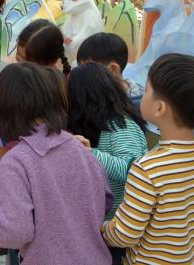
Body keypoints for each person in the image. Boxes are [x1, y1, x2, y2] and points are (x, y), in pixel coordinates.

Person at [0, 62, 113, 264]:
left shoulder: (16, 162)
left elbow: (16, 232)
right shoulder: (81, 149)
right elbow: (106, 200)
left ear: (3, 109)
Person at [101, 53, 194, 264]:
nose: (142, 93)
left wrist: (102, 227)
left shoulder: (147, 169)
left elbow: (125, 234)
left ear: (159, 108)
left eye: (147, 90)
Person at [68, 62, 147, 264]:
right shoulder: (102, 125)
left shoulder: (120, 127)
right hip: (109, 226)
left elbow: (133, 172)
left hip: (121, 229)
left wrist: (91, 154)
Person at [77, 32, 143, 105]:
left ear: (113, 69)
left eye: (88, 70)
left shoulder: (139, 103)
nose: (81, 75)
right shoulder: (91, 95)